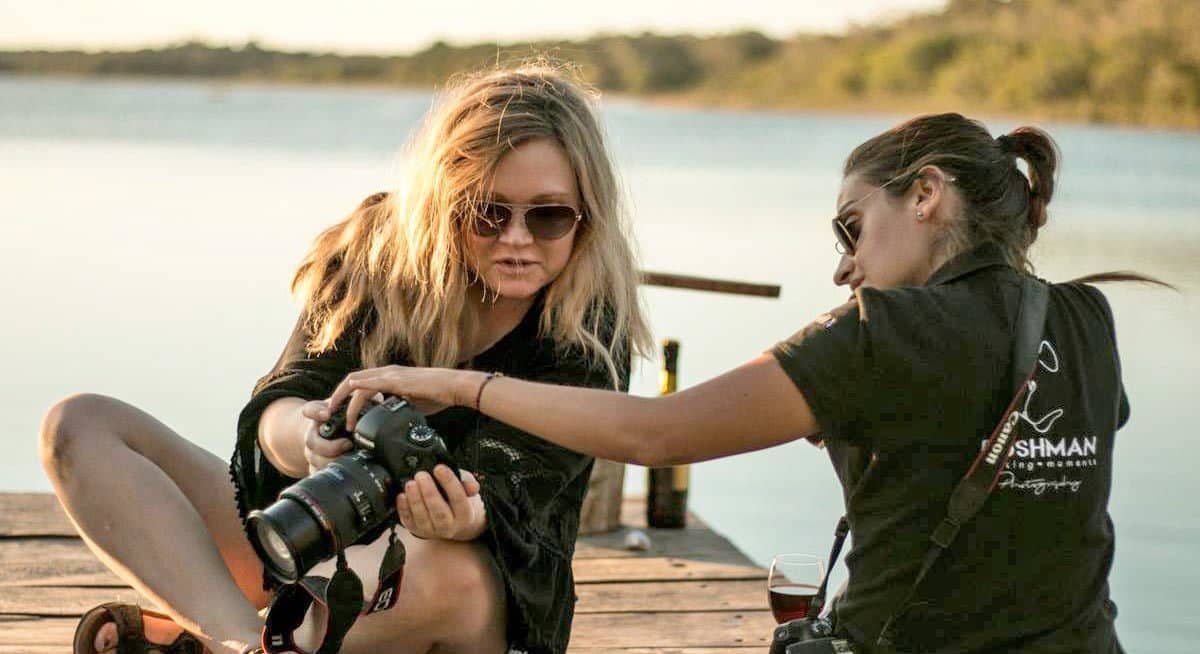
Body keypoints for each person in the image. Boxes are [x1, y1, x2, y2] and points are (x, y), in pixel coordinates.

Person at [323, 113, 1152, 653]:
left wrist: (461, 385)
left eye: (851, 227)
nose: (844, 266)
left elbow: (655, 432)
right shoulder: (1090, 320)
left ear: (927, 193)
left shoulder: (882, 331)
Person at [40, 64, 650, 654]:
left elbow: (524, 494)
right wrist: (309, 437)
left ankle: (240, 635)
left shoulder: (592, 323)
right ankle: (242, 644)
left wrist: (463, 515)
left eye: (547, 216)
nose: (516, 239)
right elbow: (283, 397)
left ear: (585, 215)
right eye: (487, 213)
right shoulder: (379, 249)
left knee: (438, 567)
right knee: (81, 425)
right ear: (444, 203)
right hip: (313, 536)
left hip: (460, 593)